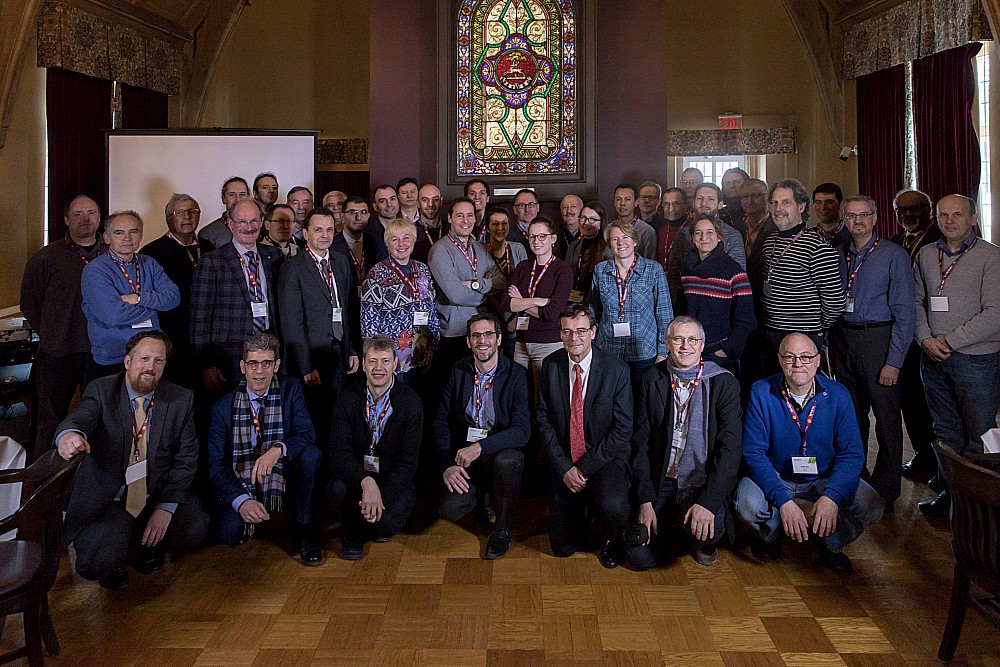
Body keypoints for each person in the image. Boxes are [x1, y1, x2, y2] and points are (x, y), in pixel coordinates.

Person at [56, 331, 209, 590]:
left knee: (195, 526)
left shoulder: (180, 399)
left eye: (158, 361)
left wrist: (166, 507)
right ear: (128, 362)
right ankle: (118, 555)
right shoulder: (102, 390)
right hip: (111, 500)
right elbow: (83, 415)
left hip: (153, 494)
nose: (150, 367)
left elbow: (187, 457)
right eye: (144, 358)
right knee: (96, 560)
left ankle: (141, 546)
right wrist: (70, 433)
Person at [735, 333, 883, 574]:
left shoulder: (838, 394)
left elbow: (852, 454)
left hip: (823, 476)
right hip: (777, 473)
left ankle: (830, 541)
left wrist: (833, 496)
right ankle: (772, 534)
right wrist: (784, 502)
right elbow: (754, 454)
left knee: (872, 504)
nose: (798, 364)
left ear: (817, 360)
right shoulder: (760, 392)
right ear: (780, 360)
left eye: (805, 357)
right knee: (747, 504)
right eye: (790, 357)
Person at [628, 316, 742, 569]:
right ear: (667, 343)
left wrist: (707, 503)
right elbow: (640, 443)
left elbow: (730, 450)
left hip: (699, 480)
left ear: (702, 346)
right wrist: (645, 501)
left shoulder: (723, 383)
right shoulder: (651, 378)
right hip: (662, 478)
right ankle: (670, 526)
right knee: (640, 559)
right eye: (678, 339)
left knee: (710, 528)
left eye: (692, 340)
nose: (685, 346)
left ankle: (696, 537)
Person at [913, 194, 1000, 516]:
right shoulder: (925, 255)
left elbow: (995, 313)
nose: (950, 221)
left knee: (981, 433)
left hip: (977, 361)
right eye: (944, 215)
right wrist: (924, 339)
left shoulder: (991, 257)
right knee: (945, 433)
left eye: (958, 215)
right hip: (932, 360)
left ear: (973, 218)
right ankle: (950, 498)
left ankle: (981, 509)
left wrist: (950, 341)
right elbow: (916, 303)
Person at [828, 196, 913, 514]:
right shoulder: (838, 254)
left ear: (876, 218)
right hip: (844, 338)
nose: (858, 221)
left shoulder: (894, 255)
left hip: (879, 338)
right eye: (851, 216)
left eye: (864, 215)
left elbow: (905, 313)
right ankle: (856, 480)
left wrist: (894, 361)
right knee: (851, 416)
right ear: (844, 219)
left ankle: (888, 489)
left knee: (888, 418)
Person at [208, 333, 323, 565]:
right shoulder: (222, 407)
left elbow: (307, 433)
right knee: (228, 532)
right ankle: (252, 508)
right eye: (253, 364)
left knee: (312, 455)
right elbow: (216, 465)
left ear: (276, 365)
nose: (259, 371)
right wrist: (241, 501)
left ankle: (304, 527)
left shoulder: (291, 389)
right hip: (243, 480)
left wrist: (278, 449)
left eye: (266, 363)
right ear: (243, 366)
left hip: (282, 472)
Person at [536, 305, 633, 568]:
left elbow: (623, 430)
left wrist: (585, 468)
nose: (574, 338)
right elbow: (543, 420)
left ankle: (610, 540)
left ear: (593, 332)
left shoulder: (617, 370)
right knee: (562, 547)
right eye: (567, 332)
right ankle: (583, 511)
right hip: (566, 459)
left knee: (613, 506)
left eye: (580, 331)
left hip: (604, 457)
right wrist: (565, 467)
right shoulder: (551, 365)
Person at [435, 314, 530, 559]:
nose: (482, 341)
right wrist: (446, 465)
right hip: (466, 454)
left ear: (499, 339)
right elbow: (441, 422)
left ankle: (503, 528)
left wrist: (480, 447)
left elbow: (522, 431)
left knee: (507, 462)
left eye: (488, 334)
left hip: (500, 450)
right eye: (476, 335)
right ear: (468, 342)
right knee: (450, 508)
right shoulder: (457, 372)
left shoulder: (516, 374)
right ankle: (484, 496)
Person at [21, 194, 105, 459]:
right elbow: (29, 303)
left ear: (99, 218)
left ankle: (92, 474)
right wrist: (51, 331)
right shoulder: (45, 258)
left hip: (100, 351)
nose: (86, 219)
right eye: (78, 214)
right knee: (49, 417)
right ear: (66, 219)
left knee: (100, 414)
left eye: (91, 213)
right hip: (59, 350)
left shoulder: (113, 253)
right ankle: (42, 479)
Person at [328, 335, 423, 560]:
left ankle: (367, 519)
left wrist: (379, 498)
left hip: (391, 480)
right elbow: (338, 454)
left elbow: (407, 463)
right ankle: (352, 530)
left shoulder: (411, 403)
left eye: (385, 361)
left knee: (384, 526)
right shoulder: (347, 399)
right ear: (363, 364)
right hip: (358, 479)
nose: (378, 368)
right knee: (335, 490)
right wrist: (366, 482)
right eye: (372, 361)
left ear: (395, 365)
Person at [278, 208, 360, 445]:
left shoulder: (342, 262)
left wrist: (353, 349)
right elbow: (291, 322)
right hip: (311, 356)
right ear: (305, 233)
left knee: (337, 414)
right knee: (314, 418)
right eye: (318, 230)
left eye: (329, 229)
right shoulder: (292, 268)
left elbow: (350, 310)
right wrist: (305, 366)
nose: (325, 235)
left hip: (339, 349)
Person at [190, 199, 283, 397]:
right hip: (227, 357)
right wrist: (206, 364)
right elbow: (199, 319)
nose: (249, 228)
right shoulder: (211, 261)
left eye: (254, 221)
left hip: (268, 351)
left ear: (261, 222)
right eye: (242, 222)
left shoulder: (273, 256)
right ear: (230, 224)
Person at [758, 179, 844, 368]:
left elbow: (835, 302)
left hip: (803, 337)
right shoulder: (769, 242)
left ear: (801, 206)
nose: (778, 208)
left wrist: (812, 327)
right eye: (774, 202)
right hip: (770, 333)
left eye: (786, 202)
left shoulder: (818, 248)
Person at [82, 210, 180, 376]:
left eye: (133, 232)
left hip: (151, 356)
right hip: (113, 359)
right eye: (119, 233)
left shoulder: (149, 263)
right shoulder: (95, 270)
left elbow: (173, 298)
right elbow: (113, 315)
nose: (127, 238)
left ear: (141, 234)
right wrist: (153, 309)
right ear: (107, 238)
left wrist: (139, 298)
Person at [890, 189, 941, 479]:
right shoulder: (895, 243)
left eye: (915, 209)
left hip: (935, 336)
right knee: (911, 402)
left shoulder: (940, 242)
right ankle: (924, 457)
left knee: (937, 406)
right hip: (904, 338)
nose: (908, 215)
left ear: (928, 210)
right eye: (902, 210)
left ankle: (946, 470)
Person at [140, 194, 214, 389]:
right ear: (168, 218)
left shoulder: (209, 248)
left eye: (193, 212)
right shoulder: (151, 253)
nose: (187, 217)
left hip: (208, 337)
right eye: (179, 213)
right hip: (171, 336)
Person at [428, 197, 504, 375]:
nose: (466, 221)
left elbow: (501, 281)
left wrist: (476, 284)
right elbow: (456, 295)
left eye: (470, 215)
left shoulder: (480, 248)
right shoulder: (440, 250)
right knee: (454, 390)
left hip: (481, 332)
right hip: (454, 333)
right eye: (460, 215)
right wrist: (486, 294)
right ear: (449, 218)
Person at [361, 217, 441, 384]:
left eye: (406, 237)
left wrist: (432, 346)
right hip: (392, 357)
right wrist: (377, 359)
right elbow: (368, 322)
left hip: (421, 350)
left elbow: (431, 309)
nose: (401, 244)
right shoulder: (377, 274)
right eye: (394, 239)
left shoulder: (422, 269)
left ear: (413, 240)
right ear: (387, 243)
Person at [591, 220, 673, 382]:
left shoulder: (653, 270)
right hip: (609, 349)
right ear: (610, 244)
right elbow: (594, 310)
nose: (620, 243)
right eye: (615, 239)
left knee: (641, 401)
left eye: (625, 237)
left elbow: (664, 313)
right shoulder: (600, 271)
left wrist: (663, 352)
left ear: (635, 241)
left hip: (644, 351)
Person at [502, 216, 573, 391]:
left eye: (542, 236)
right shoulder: (523, 267)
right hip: (521, 343)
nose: (536, 241)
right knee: (519, 395)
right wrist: (536, 301)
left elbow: (551, 314)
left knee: (543, 397)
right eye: (532, 236)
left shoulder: (562, 270)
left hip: (548, 343)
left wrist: (521, 301)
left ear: (553, 239)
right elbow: (505, 303)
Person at [679, 215, 756, 374]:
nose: (704, 238)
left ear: (719, 237)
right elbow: (681, 310)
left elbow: (746, 320)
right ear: (693, 238)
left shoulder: (734, 273)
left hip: (719, 353)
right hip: (689, 351)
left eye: (710, 232)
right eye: (698, 233)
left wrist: (727, 350)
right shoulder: (686, 270)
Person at [666, 183, 746, 303]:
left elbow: (738, 278)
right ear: (693, 202)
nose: (704, 203)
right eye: (700, 198)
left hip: (721, 302)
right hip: (687, 303)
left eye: (711, 199)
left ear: (720, 204)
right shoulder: (683, 234)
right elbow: (673, 273)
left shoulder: (732, 235)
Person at [565, 201, 613, 304]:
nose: (586, 223)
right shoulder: (574, 245)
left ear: (601, 223)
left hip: (597, 301)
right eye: (583, 218)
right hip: (573, 301)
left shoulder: (608, 248)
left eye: (592, 219)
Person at [332, 195, 379, 286]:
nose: (359, 217)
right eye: (353, 212)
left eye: (363, 212)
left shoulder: (374, 242)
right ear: (342, 217)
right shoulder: (332, 245)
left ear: (368, 216)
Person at [198, 176, 249, 248]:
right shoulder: (208, 233)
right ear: (223, 199)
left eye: (242, 194)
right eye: (231, 195)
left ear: (248, 198)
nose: (238, 199)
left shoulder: (257, 227)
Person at [611, 184, 657, 258]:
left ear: (636, 202)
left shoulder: (646, 231)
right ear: (614, 203)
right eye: (618, 199)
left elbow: (651, 262)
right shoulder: (609, 228)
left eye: (627, 199)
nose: (622, 203)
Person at [485, 205, 528, 284]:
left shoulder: (518, 249)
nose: (500, 228)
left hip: (516, 296)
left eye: (504, 223)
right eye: (495, 224)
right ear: (487, 228)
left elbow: (525, 280)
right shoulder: (481, 252)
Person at [656, 187, 688, 271]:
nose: (670, 209)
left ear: (685, 205)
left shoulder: (693, 228)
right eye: (666, 204)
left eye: (676, 204)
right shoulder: (662, 230)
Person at [413, 184, 447, 263]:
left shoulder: (451, 229)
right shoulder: (410, 231)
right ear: (418, 203)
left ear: (441, 201)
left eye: (435, 199)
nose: (430, 204)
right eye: (425, 200)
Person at [811, 183, 850, 247]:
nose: (823, 207)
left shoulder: (853, 235)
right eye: (818, 202)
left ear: (840, 205)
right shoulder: (806, 237)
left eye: (829, 202)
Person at [369, 184, 398, 261]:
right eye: (383, 201)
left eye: (392, 199)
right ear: (375, 206)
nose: (389, 204)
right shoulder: (368, 234)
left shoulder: (408, 230)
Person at [555, 193, 583, 259]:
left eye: (573, 206)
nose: (569, 211)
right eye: (565, 207)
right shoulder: (554, 234)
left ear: (582, 210)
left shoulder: (589, 233)